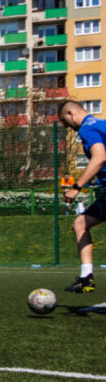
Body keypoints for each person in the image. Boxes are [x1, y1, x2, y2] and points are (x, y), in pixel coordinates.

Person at [58, 100, 106, 293]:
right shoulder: (101, 124)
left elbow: (100, 157)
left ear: (70, 113)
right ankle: (86, 277)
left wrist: (77, 187)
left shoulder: (86, 129)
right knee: (80, 224)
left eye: (64, 121)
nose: (66, 126)